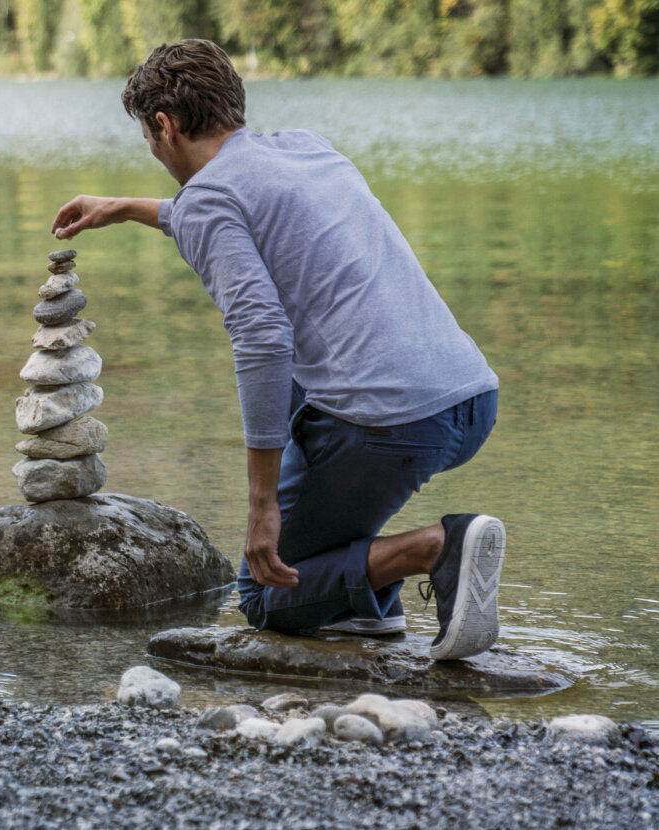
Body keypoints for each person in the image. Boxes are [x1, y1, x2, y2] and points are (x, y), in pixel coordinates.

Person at [51, 39, 504, 660]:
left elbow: (263, 338)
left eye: (149, 139)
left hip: (390, 426)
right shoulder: (307, 149)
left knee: (264, 594)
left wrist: (260, 505)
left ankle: (437, 548)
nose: (154, 153)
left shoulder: (209, 200)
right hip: (469, 398)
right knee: (308, 415)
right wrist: (126, 207)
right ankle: (365, 611)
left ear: (165, 125)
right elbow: (231, 208)